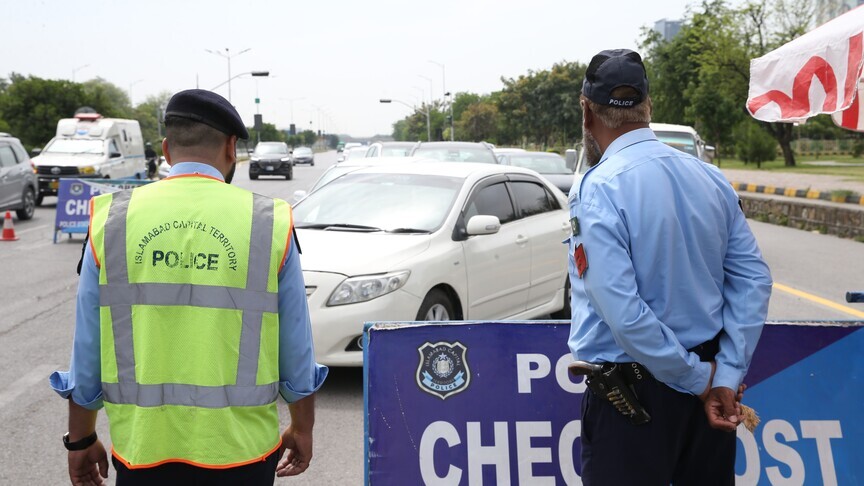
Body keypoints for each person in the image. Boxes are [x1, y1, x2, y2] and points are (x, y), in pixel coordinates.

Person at [50, 89, 328, 485]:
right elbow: (296, 347)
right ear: (232, 148)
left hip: (143, 451)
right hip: (243, 454)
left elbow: (88, 346)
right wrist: (303, 427)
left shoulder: (111, 219)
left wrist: (80, 440)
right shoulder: (269, 222)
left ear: (165, 150)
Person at [567, 49, 772, 485]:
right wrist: (725, 374)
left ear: (587, 112)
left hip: (634, 408)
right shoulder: (710, 178)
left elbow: (622, 312)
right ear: (648, 108)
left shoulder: (598, 187)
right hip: (709, 402)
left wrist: (701, 381)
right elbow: (753, 280)